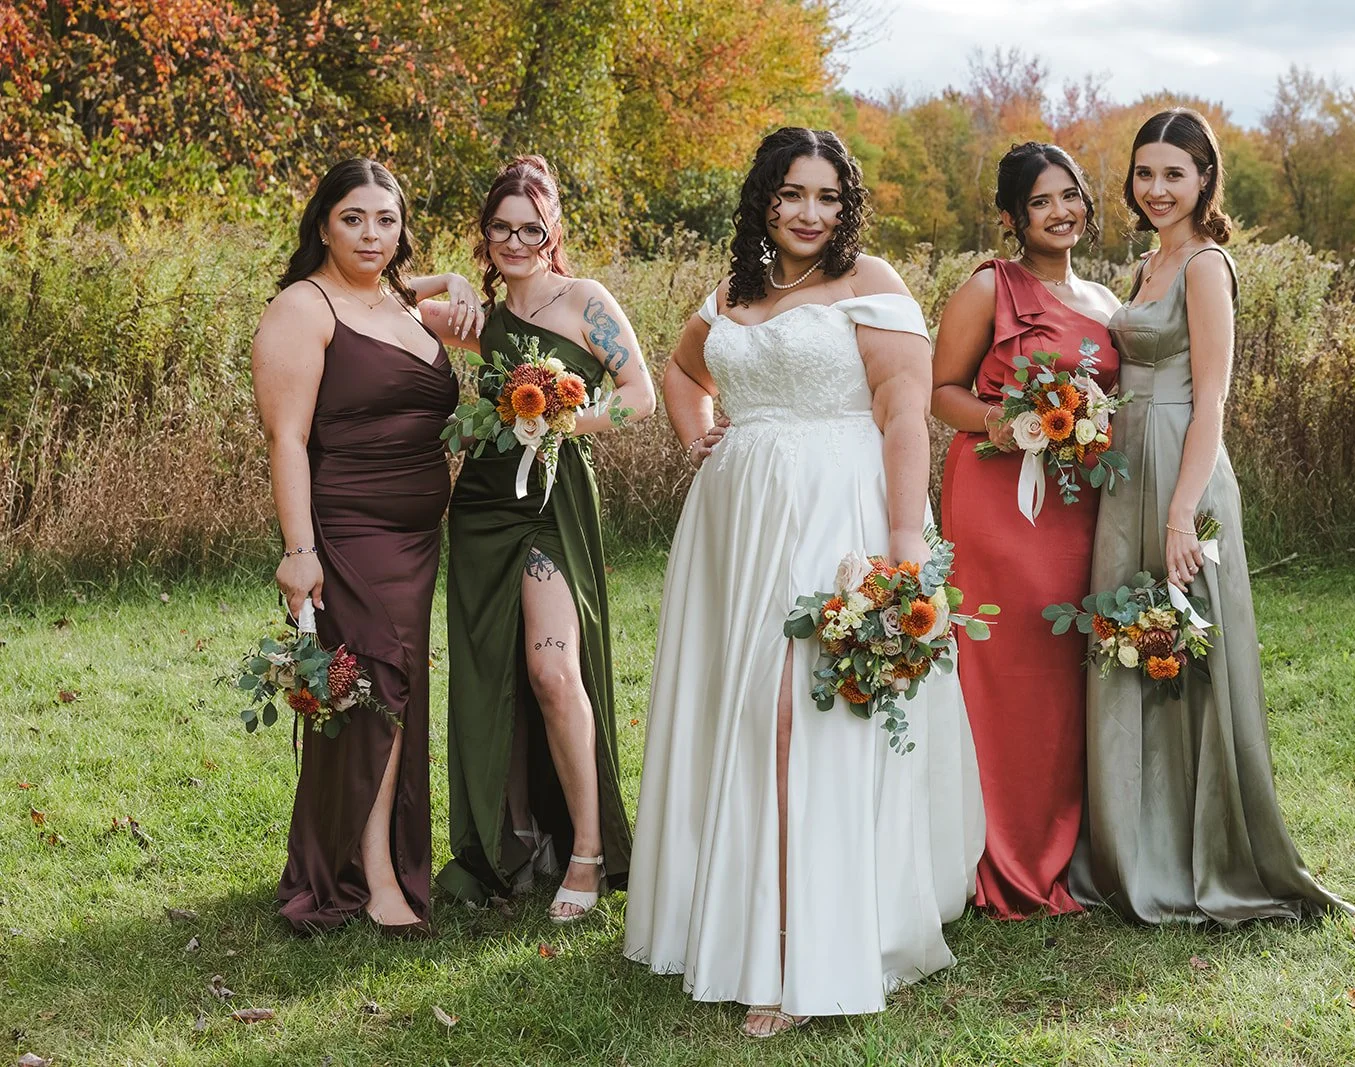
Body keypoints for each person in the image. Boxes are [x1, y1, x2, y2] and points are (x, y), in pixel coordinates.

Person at [623, 127, 984, 1037]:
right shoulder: (735, 291)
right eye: (792, 194)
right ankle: (745, 919)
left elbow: (906, 420)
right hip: (734, 523)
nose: (810, 213)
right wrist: (697, 433)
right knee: (739, 713)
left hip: (839, 514)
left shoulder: (876, 286)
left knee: (801, 711)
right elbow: (680, 369)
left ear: (846, 202)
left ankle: (795, 944)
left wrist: (904, 556)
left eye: (827, 196)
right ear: (765, 198)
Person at [1071, 109, 1355, 925]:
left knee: (1184, 648)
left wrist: (1181, 515)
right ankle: (1134, 841)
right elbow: (1139, 371)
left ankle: (1204, 851)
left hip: (1182, 473)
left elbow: (1213, 399)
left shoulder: (1204, 265)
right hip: (1129, 467)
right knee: (1133, 644)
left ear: (1205, 179)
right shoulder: (1147, 262)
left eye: (1174, 174)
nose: (1156, 189)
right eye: (1144, 173)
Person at [252, 158, 478, 936]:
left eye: (387, 219)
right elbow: (286, 439)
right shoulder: (302, 309)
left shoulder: (393, 299)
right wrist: (298, 549)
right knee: (379, 687)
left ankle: (356, 852)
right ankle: (373, 874)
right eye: (354, 218)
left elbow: (431, 299)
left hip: (419, 536)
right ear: (323, 223)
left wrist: (450, 276)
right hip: (350, 530)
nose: (372, 233)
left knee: (395, 687)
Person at [427, 156, 655, 923]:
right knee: (494, 667)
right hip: (485, 501)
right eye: (502, 228)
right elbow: (381, 297)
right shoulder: (475, 317)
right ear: (486, 234)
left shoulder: (585, 302)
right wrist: (451, 284)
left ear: (553, 228)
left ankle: (588, 851)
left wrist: (561, 419)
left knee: (552, 671)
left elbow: (641, 397)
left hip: (554, 498)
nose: (517, 241)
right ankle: (511, 839)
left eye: (531, 227)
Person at [931, 142, 1120, 919]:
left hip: (1076, 506)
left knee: (1063, 671)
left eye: (1070, 195)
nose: (1061, 212)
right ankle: (992, 855)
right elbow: (939, 391)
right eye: (1041, 201)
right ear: (1012, 217)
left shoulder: (1109, 301)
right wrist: (1001, 425)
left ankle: (1059, 846)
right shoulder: (988, 288)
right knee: (1000, 671)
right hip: (997, 498)